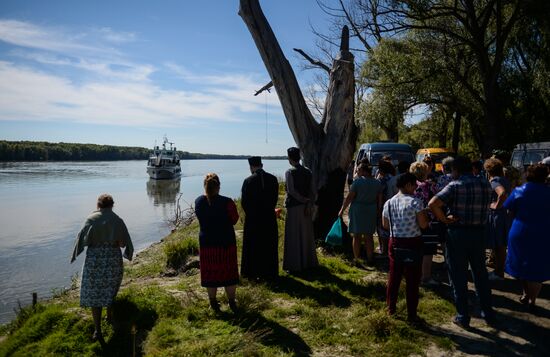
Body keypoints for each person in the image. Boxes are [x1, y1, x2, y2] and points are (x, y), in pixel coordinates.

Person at [428, 156, 494, 328]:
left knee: (458, 275)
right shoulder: (485, 184)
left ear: (455, 170)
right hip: (479, 234)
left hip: (457, 233)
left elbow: (433, 203)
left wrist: (444, 220)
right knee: (480, 274)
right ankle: (488, 313)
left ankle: (463, 316)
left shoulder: (454, 185)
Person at [71, 194, 134, 343]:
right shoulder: (117, 220)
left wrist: (75, 254)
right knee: (110, 287)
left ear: (98, 205)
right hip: (112, 258)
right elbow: (123, 243)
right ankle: (109, 316)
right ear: (112, 205)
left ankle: (97, 330)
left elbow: (81, 240)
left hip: (94, 260)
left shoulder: (91, 219)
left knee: (94, 292)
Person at [382, 173, 430, 323]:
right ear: (408, 185)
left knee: (394, 277)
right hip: (413, 243)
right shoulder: (416, 202)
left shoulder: (388, 203)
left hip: (395, 242)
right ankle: (411, 314)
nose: (416, 188)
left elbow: (385, 225)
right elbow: (423, 224)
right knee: (412, 280)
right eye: (415, 185)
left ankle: (391, 309)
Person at [504, 164, 550, 311]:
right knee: (538, 266)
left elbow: (508, 211)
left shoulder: (518, 191)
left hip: (520, 231)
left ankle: (526, 293)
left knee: (520, 263)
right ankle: (533, 300)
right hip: (544, 232)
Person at [195, 173, 239, 312]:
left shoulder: (199, 201)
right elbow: (234, 220)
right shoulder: (228, 202)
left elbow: (200, 217)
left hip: (207, 243)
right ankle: (232, 302)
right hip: (226, 242)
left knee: (210, 273)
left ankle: (213, 303)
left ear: (204, 185)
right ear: (219, 186)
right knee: (229, 273)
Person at [241, 156, 279, 281]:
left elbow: (244, 203)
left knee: (253, 246)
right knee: (268, 245)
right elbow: (274, 199)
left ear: (251, 167)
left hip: (253, 219)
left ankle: (252, 273)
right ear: (261, 165)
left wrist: (251, 214)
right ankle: (269, 272)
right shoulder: (273, 179)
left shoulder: (248, 181)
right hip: (269, 217)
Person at [283, 147, 319, 272]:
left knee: (293, 235)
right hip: (307, 208)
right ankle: (308, 262)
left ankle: (294, 265)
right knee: (306, 235)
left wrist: (304, 200)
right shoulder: (308, 171)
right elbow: (313, 190)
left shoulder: (289, 172)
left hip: (294, 207)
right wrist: (309, 203)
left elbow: (291, 191)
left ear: (289, 158)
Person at [339, 162, 382, 265]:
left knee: (356, 236)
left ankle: (357, 258)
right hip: (371, 209)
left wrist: (342, 209)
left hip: (358, 209)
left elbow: (349, 197)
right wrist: (378, 210)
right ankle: (370, 258)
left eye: (358, 170)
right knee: (369, 236)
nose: (357, 171)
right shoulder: (377, 182)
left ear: (363, 171)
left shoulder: (357, 182)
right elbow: (379, 199)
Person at [409, 162, 439, 287]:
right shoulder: (430, 186)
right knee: (427, 251)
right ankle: (426, 277)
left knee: (414, 249)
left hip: (411, 221)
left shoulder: (409, 186)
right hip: (428, 221)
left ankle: (414, 276)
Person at [484, 158, 512, 281]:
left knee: (499, 246)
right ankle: (499, 271)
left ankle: (498, 273)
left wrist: (495, 205)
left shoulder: (494, 181)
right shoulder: (505, 179)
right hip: (505, 216)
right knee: (502, 246)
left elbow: (502, 193)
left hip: (498, 216)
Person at [376, 159, 396, 255]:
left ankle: (383, 249)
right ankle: (389, 249)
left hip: (383, 207)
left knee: (382, 229)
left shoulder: (381, 180)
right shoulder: (393, 179)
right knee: (390, 228)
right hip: (393, 207)